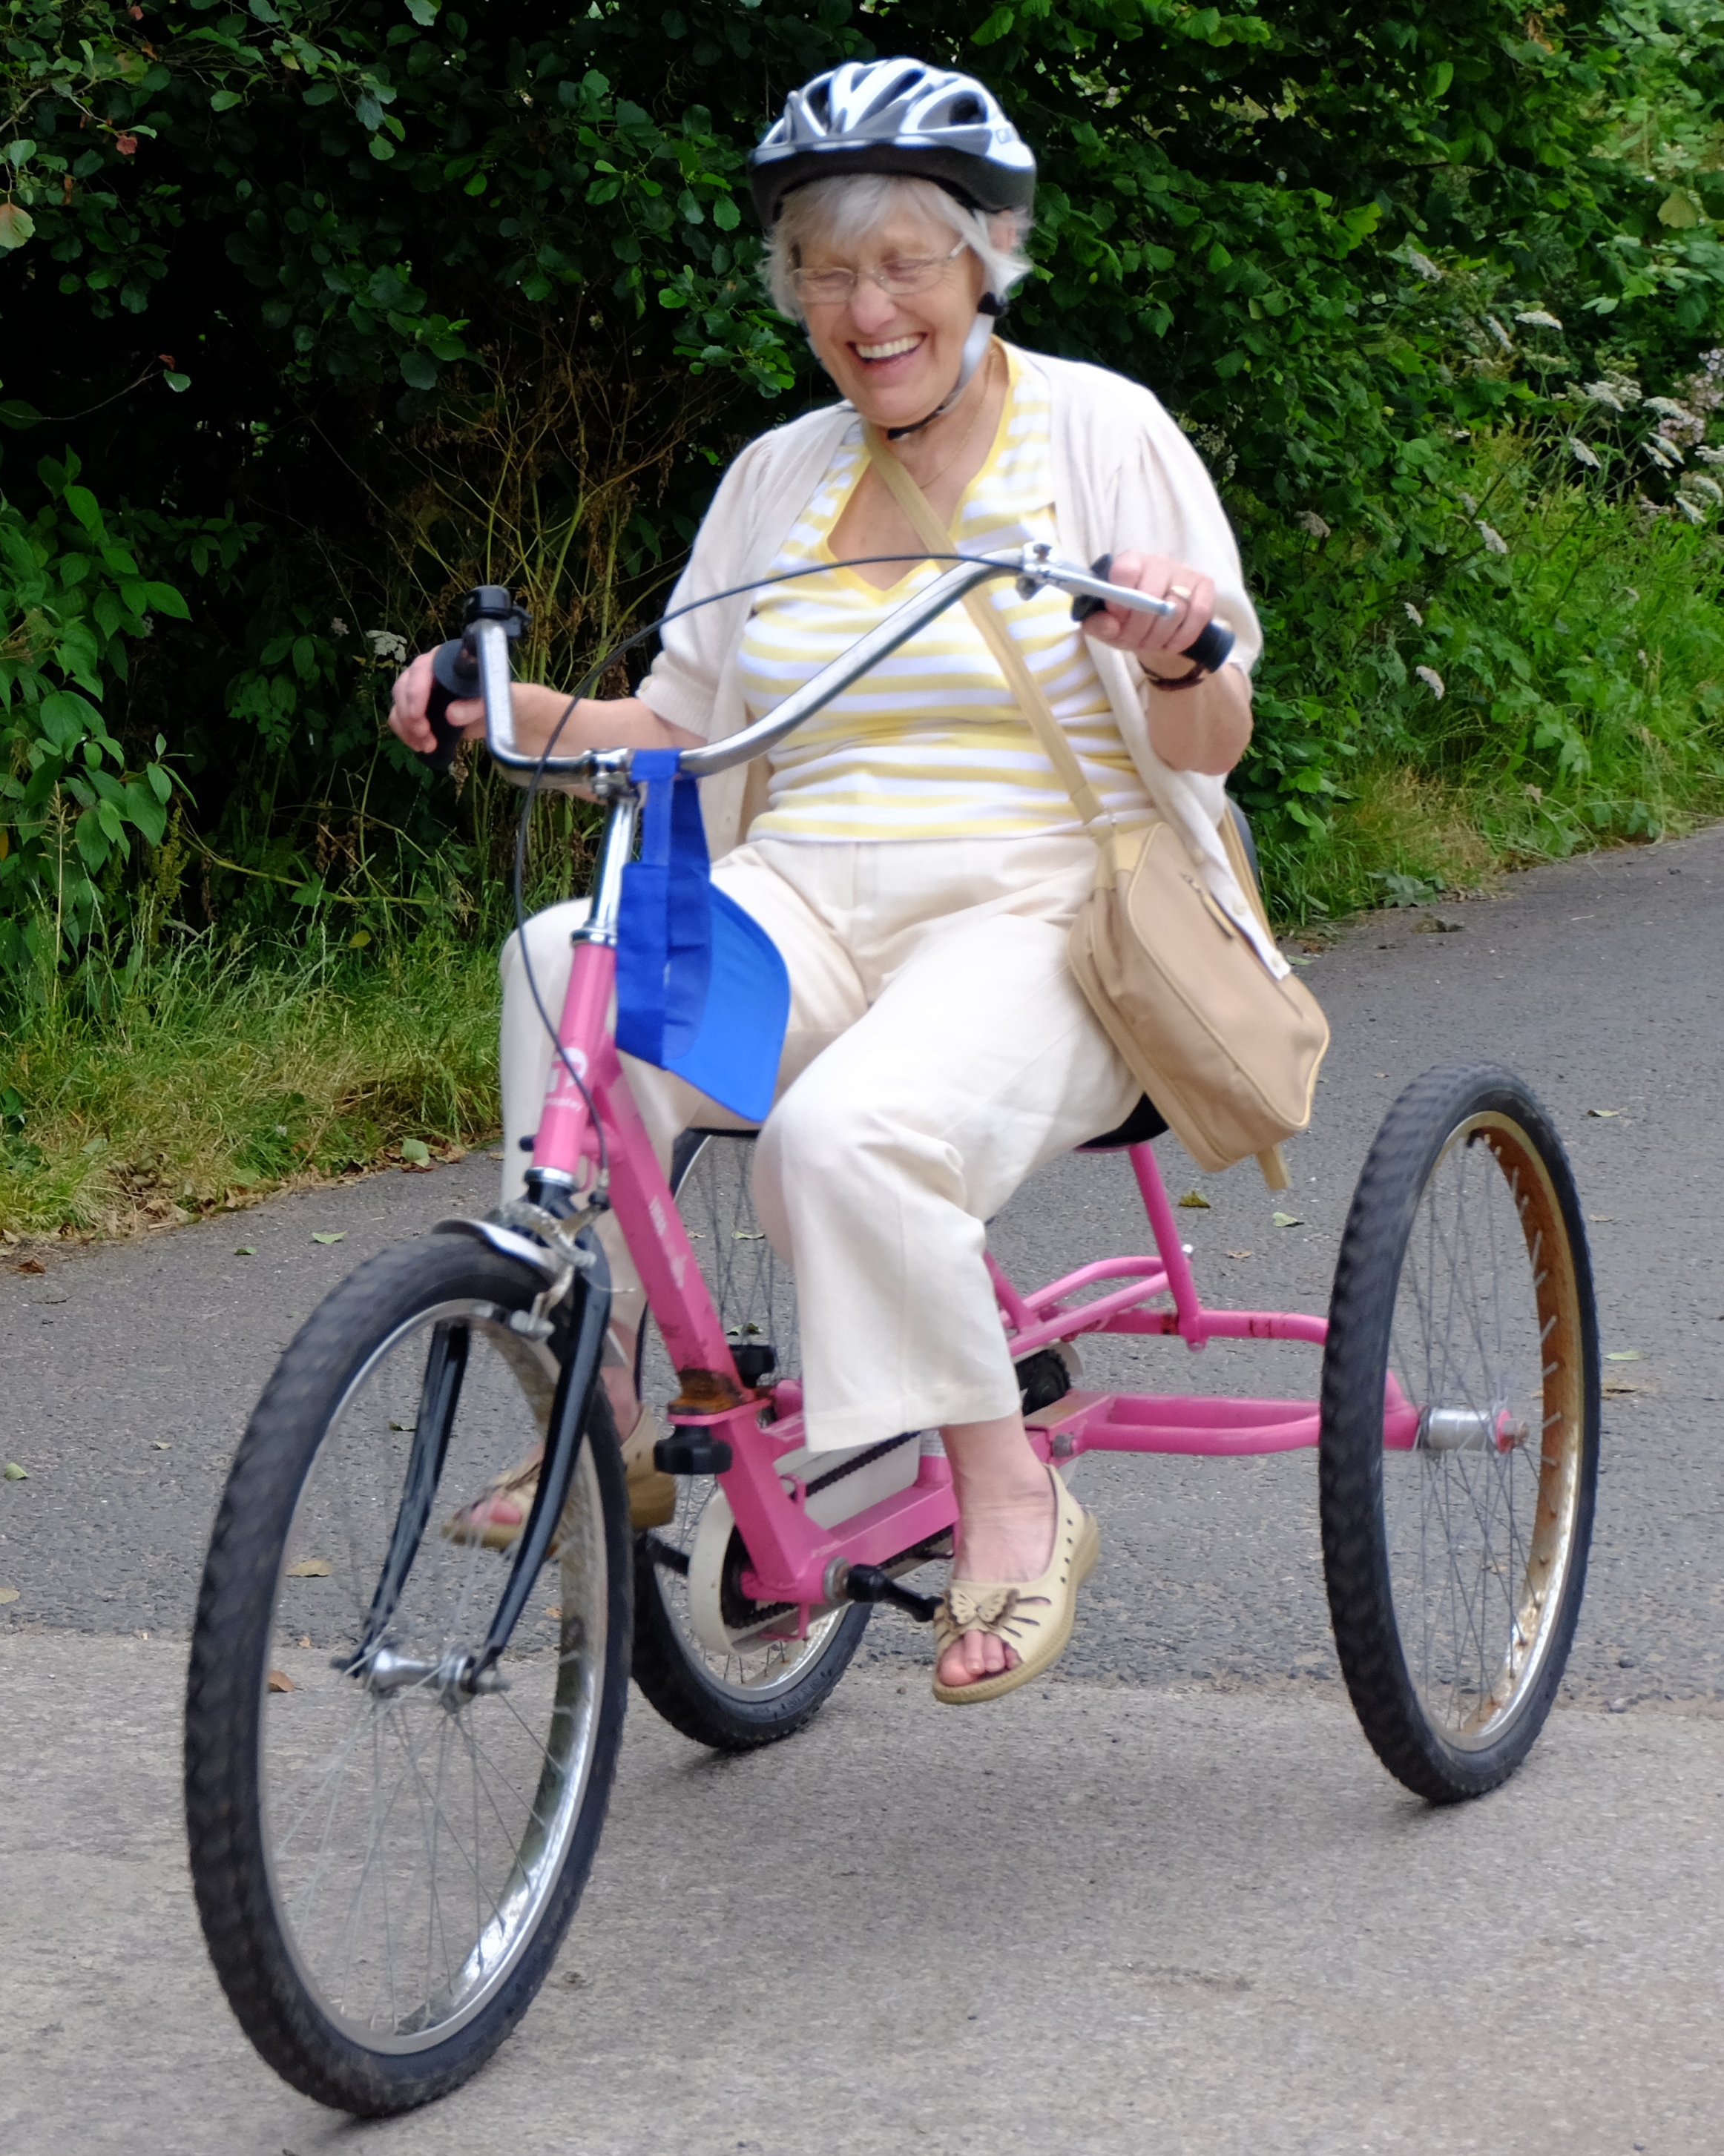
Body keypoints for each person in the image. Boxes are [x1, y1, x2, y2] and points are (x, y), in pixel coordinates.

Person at [388, 57, 1270, 1704]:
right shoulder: (777, 482)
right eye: (824, 268)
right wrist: (496, 701)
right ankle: (612, 1416)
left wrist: (1170, 636)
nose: (867, 309)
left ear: (986, 260)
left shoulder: (1100, 430)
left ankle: (1009, 1489)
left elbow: (1213, 726)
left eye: (903, 263)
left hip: (1049, 911)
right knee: (556, 955)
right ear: (788, 285)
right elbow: (682, 725)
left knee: (843, 1138)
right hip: (800, 896)